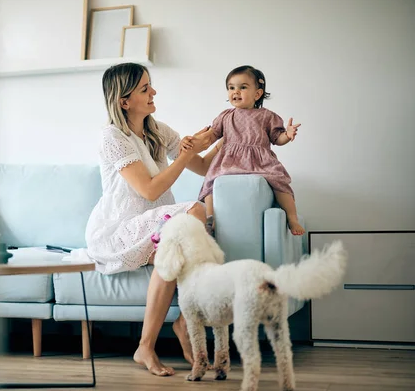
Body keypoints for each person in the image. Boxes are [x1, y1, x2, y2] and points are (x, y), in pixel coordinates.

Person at [82, 62, 219, 376]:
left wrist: (237, 130)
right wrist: (184, 154)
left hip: (158, 227)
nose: (153, 91)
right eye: (145, 88)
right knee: (197, 211)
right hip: (120, 229)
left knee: (180, 244)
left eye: (150, 85)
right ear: (124, 101)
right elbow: (148, 189)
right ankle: (179, 326)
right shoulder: (112, 137)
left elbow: (202, 165)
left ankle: (161, 337)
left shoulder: (158, 130)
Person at [198, 65, 305, 236]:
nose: (236, 92)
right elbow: (212, 136)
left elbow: (277, 138)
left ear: (257, 94)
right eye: (231, 88)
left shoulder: (266, 116)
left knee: (280, 181)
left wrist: (288, 134)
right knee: (211, 180)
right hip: (229, 160)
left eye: (243, 87)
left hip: (261, 160)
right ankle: (211, 220)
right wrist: (198, 139)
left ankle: (292, 218)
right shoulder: (225, 116)